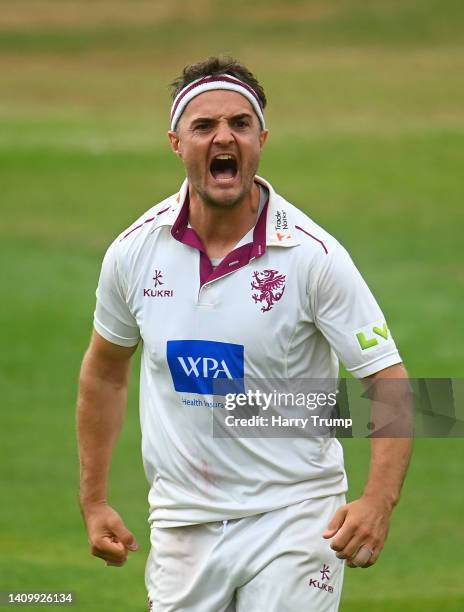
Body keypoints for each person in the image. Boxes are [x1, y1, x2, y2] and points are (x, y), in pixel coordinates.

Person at [77, 56, 412, 611]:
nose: (222, 137)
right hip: (183, 523)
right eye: (204, 126)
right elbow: (105, 373)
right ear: (176, 143)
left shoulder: (314, 257)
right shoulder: (132, 253)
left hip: (297, 518)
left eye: (239, 123)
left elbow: (388, 380)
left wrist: (379, 499)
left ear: (261, 139)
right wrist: (93, 501)